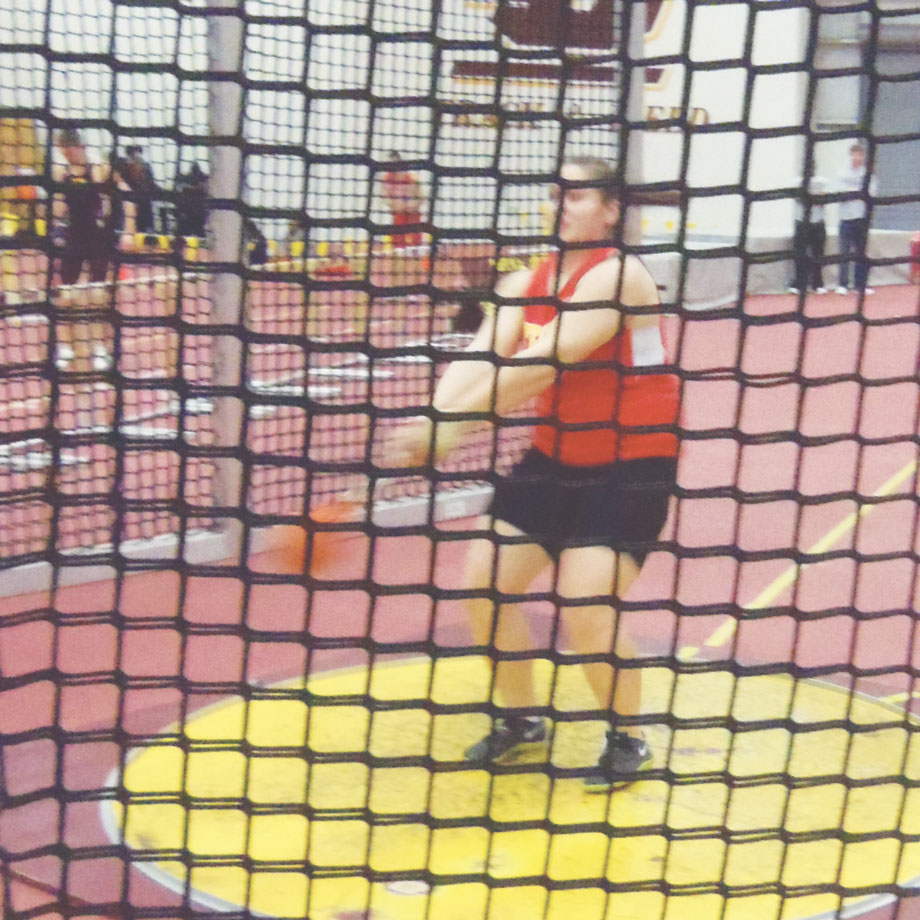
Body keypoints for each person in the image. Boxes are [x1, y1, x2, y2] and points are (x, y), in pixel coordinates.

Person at [386, 157, 680, 791]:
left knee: (585, 598)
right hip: (555, 458)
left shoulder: (620, 276)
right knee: (484, 582)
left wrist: (454, 426)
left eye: (578, 195)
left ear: (610, 211)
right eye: (557, 194)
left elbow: (547, 358)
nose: (562, 204)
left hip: (631, 465)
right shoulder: (526, 282)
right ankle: (521, 720)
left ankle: (628, 735)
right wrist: (433, 416)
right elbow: (481, 356)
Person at [51, 128, 135, 372]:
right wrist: (53, 230)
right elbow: (57, 209)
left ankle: (99, 349)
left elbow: (128, 197)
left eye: (67, 150)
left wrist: (129, 230)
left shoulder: (99, 169)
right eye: (62, 152)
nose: (65, 155)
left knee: (99, 296)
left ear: (77, 146)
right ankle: (65, 348)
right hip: (73, 239)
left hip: (98, 239)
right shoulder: (61, 173)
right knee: (65, 297)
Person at [836, 141, 877, 295]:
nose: (857, 158)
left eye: (860, 155)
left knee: (861, 252)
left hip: (862, 218)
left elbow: (871, 193)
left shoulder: (868, 174)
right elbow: (839, 193)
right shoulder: (841, 174)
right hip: (846, 218)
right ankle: (843, 284)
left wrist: (856, 193)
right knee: (844, 253)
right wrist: (855, 192)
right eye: (854, 155)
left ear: (863, 156)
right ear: (850, 156)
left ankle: (860, 285)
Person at [788, 153, 828, 295]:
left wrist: (815, 198)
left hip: (818, 222)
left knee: (818, 254)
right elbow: (800, 199)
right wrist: (812, 197)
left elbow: (824, 199)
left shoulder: (822, 181)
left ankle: (818, 283)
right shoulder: (796, 182)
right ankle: (799, 284)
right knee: (800, 254)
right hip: (801, 222)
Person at [381, 152, 424, 248]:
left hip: (413, 212)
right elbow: (385, 197)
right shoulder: (386, 179)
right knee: (398, 225)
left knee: (414, 224)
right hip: (398, 212)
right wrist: (394, 204)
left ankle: (416, 246)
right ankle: (399, 248)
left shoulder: (411, 177)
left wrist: (413, 203)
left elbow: (421, 196)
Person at [121, 145, 157, 235]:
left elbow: (151, 184)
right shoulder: (125, 168)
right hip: (132, 205)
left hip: (143, 203)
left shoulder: (145, 167)